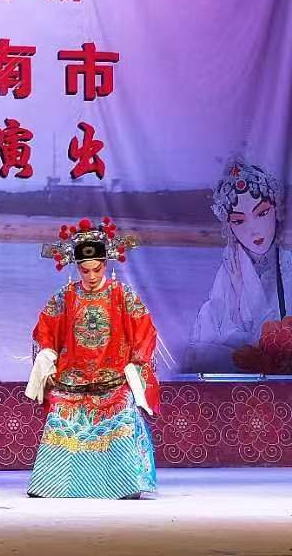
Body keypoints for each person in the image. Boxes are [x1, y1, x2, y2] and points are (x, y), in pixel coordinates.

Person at [25, 217, 159, 499]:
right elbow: (45, 329)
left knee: (123, 406)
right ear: (77, 268)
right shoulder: (65, 296)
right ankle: (54, 485)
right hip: (72, 379)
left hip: (113, 379)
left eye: (96, 269)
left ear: (106, 265)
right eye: (85, 270)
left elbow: (145, 330)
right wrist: (47, 358)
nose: (91, 276)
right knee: (62, 409)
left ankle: (124, 485)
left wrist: (136, 364)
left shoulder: (122, 295)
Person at [189, 161, 292, 373]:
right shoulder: (230, 269)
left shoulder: (287, 266)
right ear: (229, 226)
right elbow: (212, 341)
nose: (254, 230)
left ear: (276, 211)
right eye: (239, 221)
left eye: (262, 213)